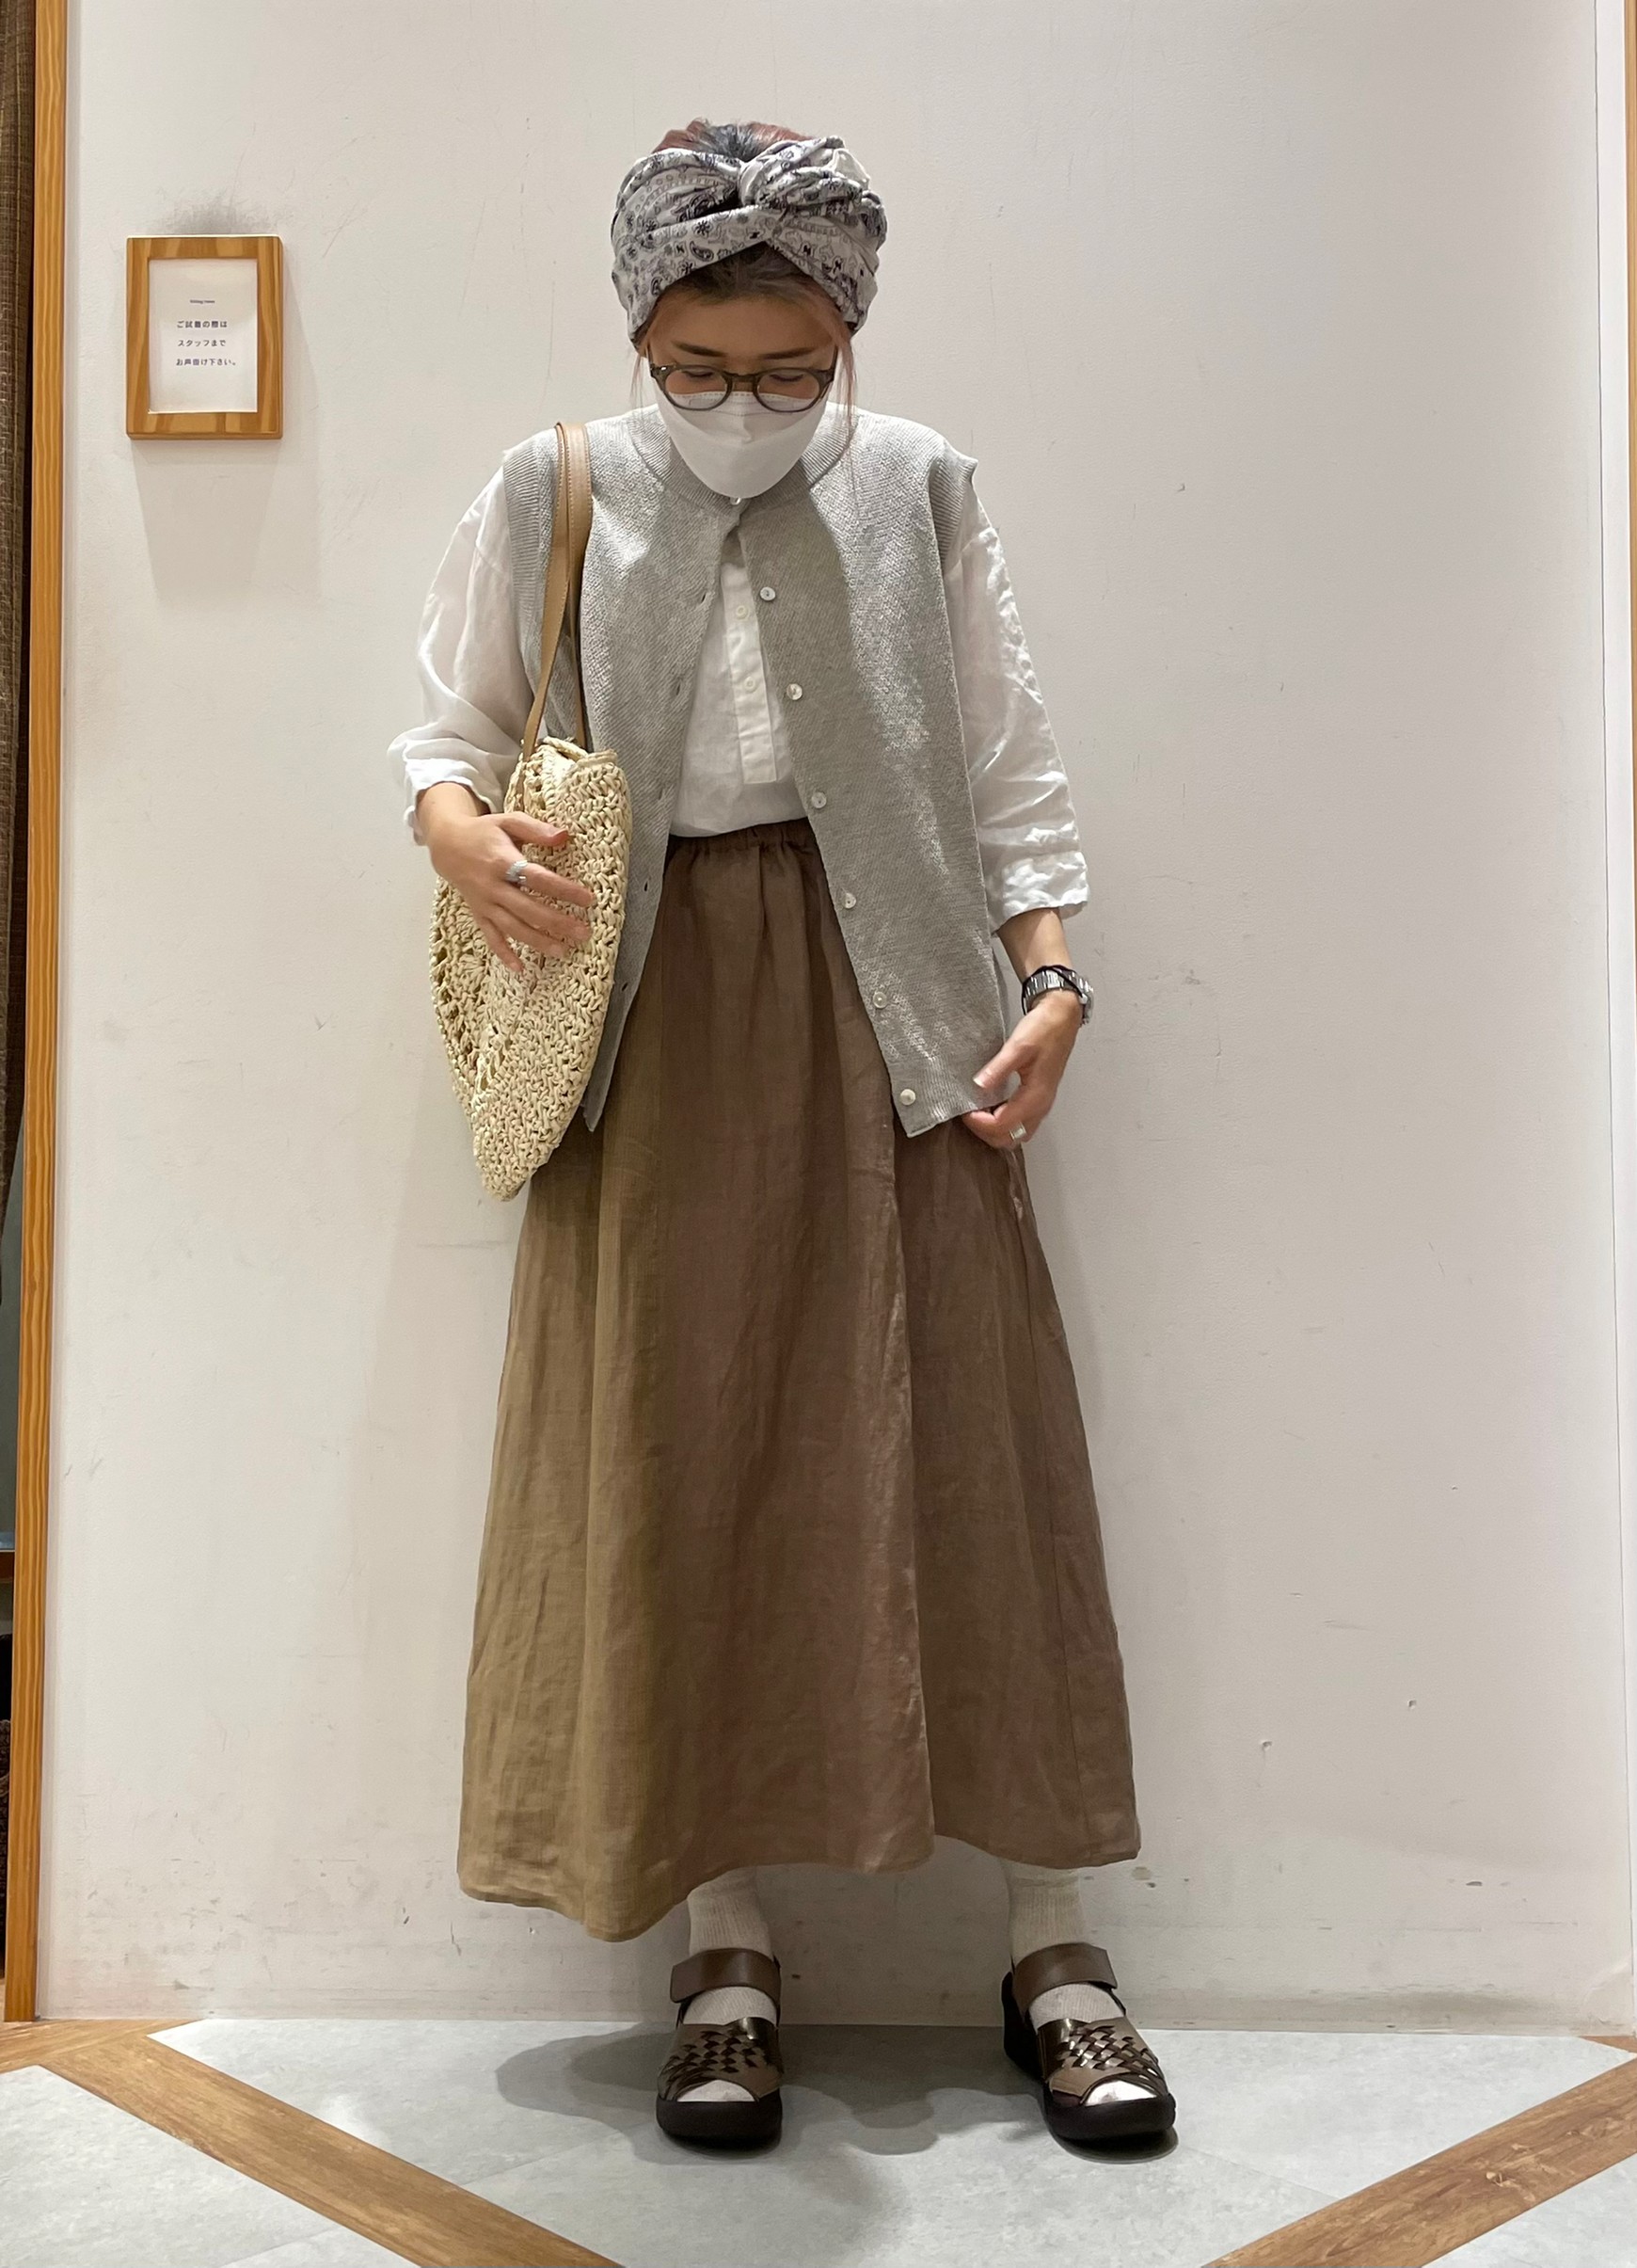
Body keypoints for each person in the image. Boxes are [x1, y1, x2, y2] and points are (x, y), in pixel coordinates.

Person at [389, 118, 1174, 2151]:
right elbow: (446, 735)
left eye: (790, 373)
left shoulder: (920, 482)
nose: (743, 407)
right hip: (643, 1018)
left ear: (849, 340)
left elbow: (1004, 756)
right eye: (699, 370)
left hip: (905, 1001)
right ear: (637, 338)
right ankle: (722, 1951)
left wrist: (1054, 979)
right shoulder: (552, 484)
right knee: (669, 1454)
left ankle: (1057, 1947)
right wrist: (463, 836)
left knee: (975, 1448)